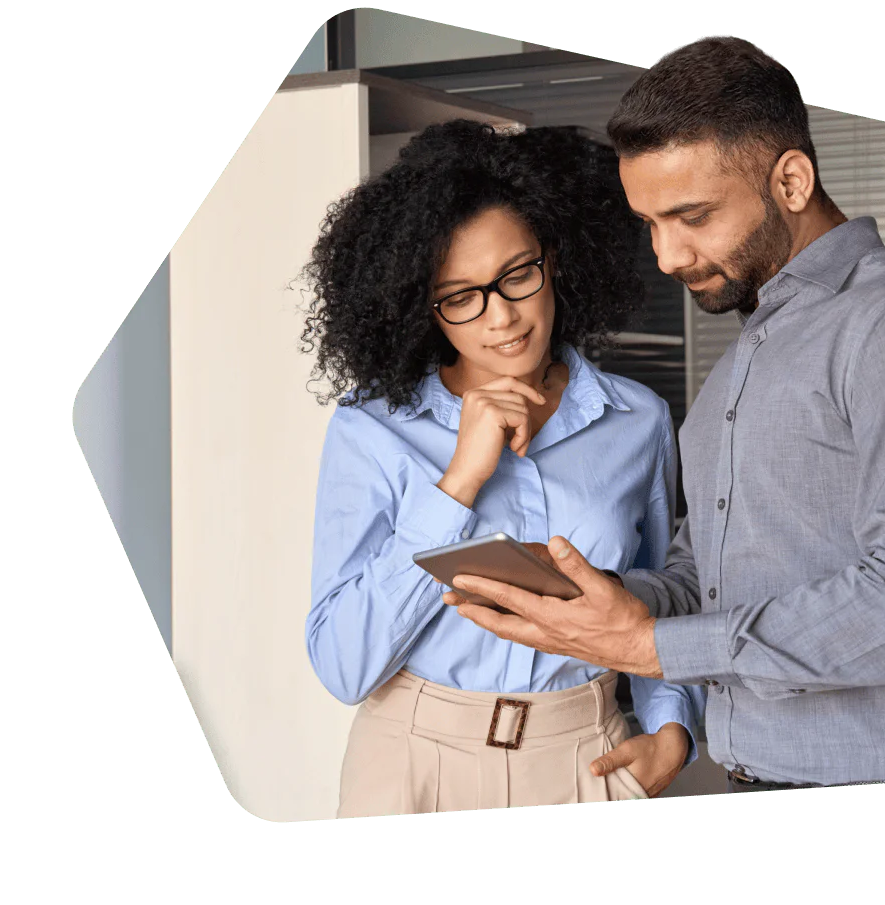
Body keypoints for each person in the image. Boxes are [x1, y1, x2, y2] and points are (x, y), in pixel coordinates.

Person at [443, 35, 885, 792]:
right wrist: (622, 604)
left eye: (691, 216)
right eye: (650, 223)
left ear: (790, 180)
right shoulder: (743, 362)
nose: (665, 255)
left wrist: (658, 647)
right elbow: (715, 571)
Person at [300, 120, 702, 817]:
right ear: (423, 309)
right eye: (461, 296)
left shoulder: (638, 420)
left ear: (556, 259)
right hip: (414, 763)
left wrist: (674, 726)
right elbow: (344, 664)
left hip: (585, 755)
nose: (501, 317)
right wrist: (458, 480)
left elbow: (663, 593)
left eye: (518, 275)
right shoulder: (370, 429)